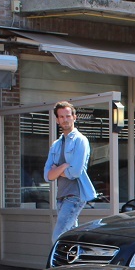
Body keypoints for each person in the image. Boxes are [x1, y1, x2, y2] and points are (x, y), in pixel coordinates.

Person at [43, 101, 97, 242]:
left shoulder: (80, 140)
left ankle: (55, 264)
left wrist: (57, 171)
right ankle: (78, 262)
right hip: (61, 196)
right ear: (57, 120)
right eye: (61, 117)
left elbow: (75, 173)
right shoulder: (56, 145)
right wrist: (63, 166)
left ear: (74, 117)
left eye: (67, 116)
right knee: (72, 238)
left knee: (58, 237)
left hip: (75, 194)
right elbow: (47, 175)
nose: (65, 119)